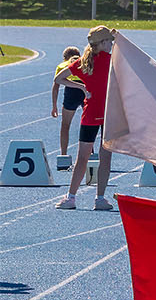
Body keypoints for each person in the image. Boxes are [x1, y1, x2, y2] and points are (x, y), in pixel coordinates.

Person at [57, 26, 116, 212]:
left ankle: (71, 197)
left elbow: (59, 78)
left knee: (82, 158)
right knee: (105, 157)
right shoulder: (113, 61)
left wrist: (82, 88)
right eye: (110, 41)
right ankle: (99, 199)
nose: (112, 44)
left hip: (90, 114)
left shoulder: (84, 62)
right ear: (103, 43)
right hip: (109, 114)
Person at [48, 45, 84, 171]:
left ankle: (63, 154)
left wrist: (54, 106)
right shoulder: (85, 63)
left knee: (65, 125)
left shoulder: (62, 66)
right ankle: (90, 155)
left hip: (71, 92)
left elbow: (56, 87)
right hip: (85, 91)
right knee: (89, 125)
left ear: (65, 58)